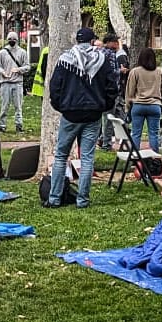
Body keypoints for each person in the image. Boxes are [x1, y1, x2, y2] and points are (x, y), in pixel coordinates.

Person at [44, 28, 118, 209]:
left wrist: (61, 106)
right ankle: (82, 200)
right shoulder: (102, 60)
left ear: (76, 41)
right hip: (93, 115)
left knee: (61, 156)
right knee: (87, 158)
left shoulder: (65, 59)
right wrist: (103, 106)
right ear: (92, 41)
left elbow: (55, 87)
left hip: (70, 114)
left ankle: (54, 198)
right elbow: (112, 87)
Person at [125, 48, 162, 154]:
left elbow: (130, 91)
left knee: (136, 133)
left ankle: (135, 157)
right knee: (154, 134)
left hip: (138, 105)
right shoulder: (159, 72)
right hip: (155, 105)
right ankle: (154, 159)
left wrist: (128, 106)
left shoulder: (135, 72)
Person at [0, 32, 28, 138]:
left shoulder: (22, 52)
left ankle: (19, 125)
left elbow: (27, 66)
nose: (12, 40)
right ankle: (2, 126)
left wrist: (18, 69)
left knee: (18, 106)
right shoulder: (2, 53)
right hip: (5, 83)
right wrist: (2, 72)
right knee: (4, 106)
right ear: (7, 39)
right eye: (10, 38)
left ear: (17, 40)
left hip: (18, 83)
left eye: (14, 38)